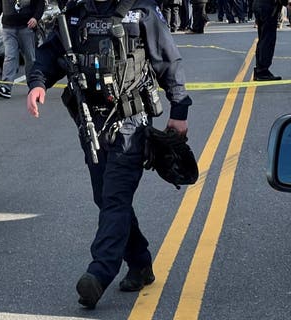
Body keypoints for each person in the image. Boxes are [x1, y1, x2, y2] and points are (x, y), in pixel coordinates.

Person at [26, 0, 192, 309]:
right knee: (105, 197)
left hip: (131, 121)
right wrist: (37, 84)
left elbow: (168, 60)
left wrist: (179, 108)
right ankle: (140, 262)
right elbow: (50, 55)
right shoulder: (75, 15)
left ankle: (99, 272)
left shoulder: (141, 10)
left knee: (115, 196)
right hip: (92, 122)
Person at [0, 0, 46, 99]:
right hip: (8, 28)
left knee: (30, 58)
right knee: (10, 56)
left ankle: (33, 85)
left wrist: (36, 18)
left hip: (27, 27)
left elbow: (40, 3)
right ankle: (6, 87)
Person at [253, 0, 287, 80]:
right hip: (268, 7)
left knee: (263, 38)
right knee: (268, 40)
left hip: (259, 5)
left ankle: (259, 69)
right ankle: (262, 70)